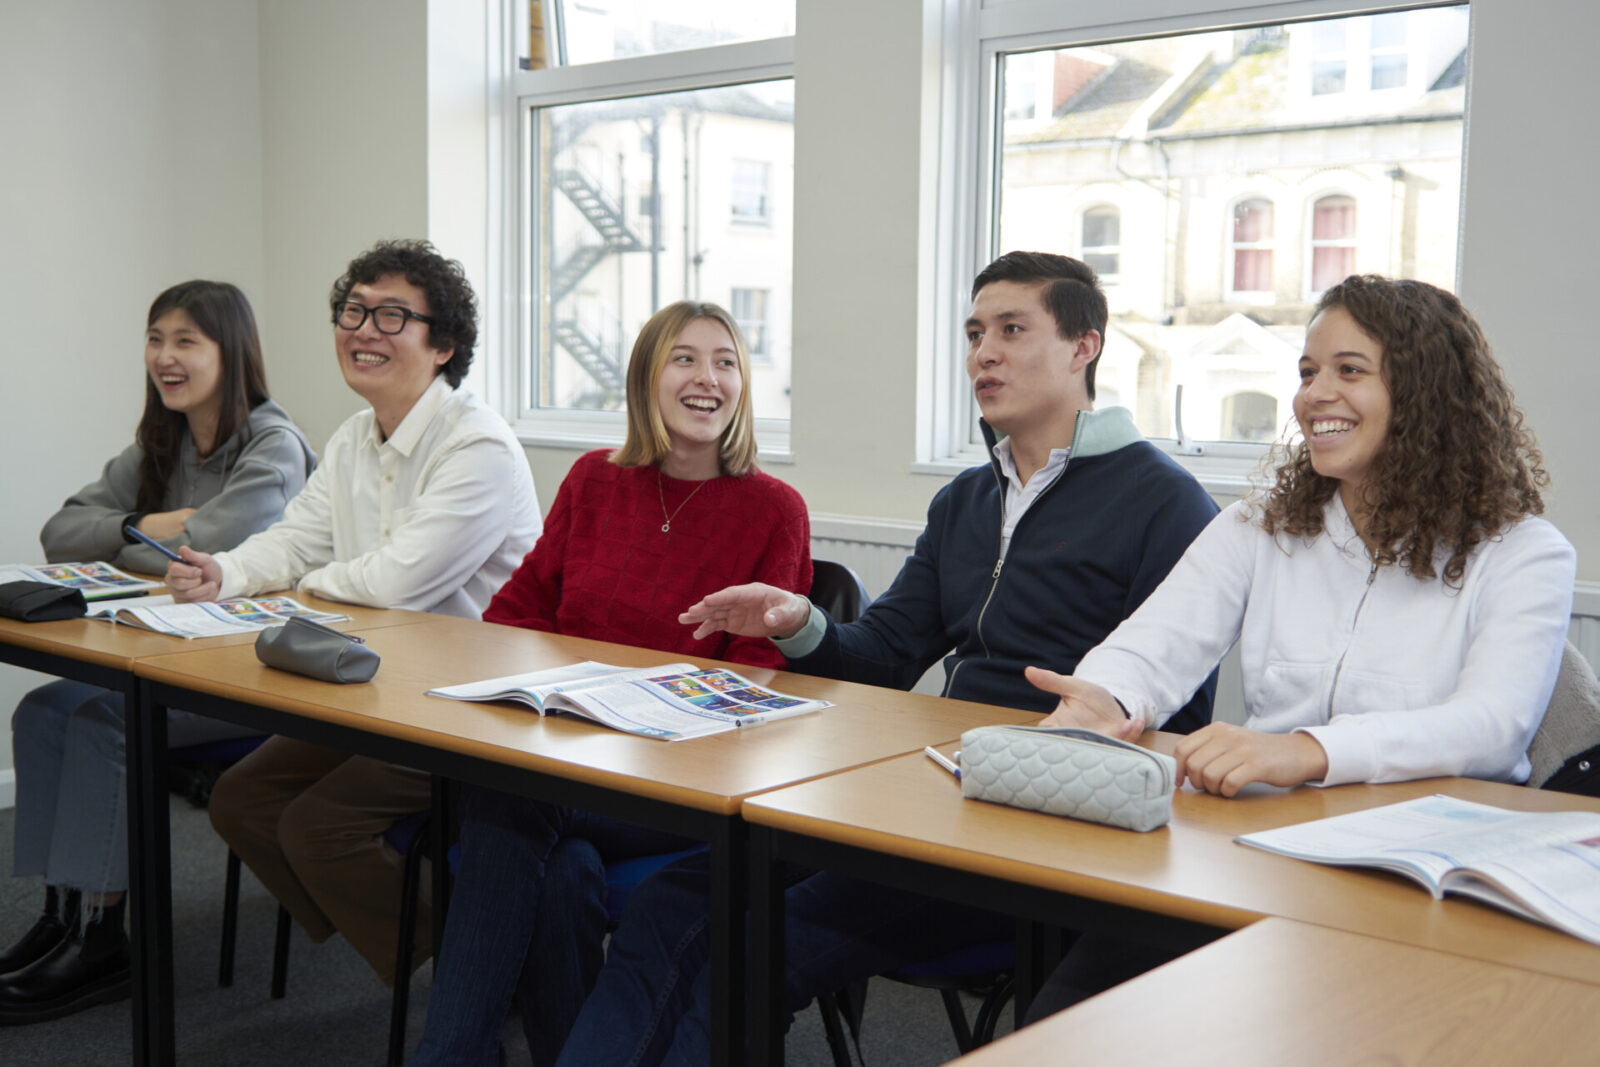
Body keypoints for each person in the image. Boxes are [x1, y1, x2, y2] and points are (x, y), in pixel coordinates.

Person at [552, 252, 1220, 1065]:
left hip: (1042, 831)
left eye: (1012, 330)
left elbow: (1177, 717)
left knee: (753, 947)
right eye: (974, 333)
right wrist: (798, 621)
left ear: (1085, 346)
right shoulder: (966, 499)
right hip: (928, 798)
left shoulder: (1166, 501)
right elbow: (884, 656)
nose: (984, 353)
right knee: (672, 901)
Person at [1018, 274, 1577, 1017]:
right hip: (1258, 854)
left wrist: (1306, 750)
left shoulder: (1524, 552)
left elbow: (1492, 725)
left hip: (1424, 882)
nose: (1315, 394)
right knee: (1071, 1020)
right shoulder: (1259, 527)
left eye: (1350, 370)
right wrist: (1107, 697)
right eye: (1309, 372)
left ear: (1426, 394)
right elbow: (1154, 644)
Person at [411, 301, 812, 1067]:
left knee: (509, 795)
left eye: (726, 361)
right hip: (569, 761)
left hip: (679, 782)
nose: (707, 378)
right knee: (566, 874)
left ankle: (450, 1056)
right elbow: (514, 612)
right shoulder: (594, 479)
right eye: (684, 358)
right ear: (645, 379)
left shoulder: (774, 509)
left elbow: (757, 690)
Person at [167, 239, 543, 987]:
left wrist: (299, 585)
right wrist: (225, 571)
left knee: (316, 829)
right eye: (354, 311)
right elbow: (294, 538)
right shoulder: (350, 438)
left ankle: (486, 965)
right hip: (368, 690)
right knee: (240, 801)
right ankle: (439, 937)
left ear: (443, 345)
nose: (364, 330)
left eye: (393, 316)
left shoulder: (478, 445)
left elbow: (398, 582)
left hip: (465, 708)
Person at [1, 280, 315, 1024]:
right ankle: (62, 915)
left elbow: (208, 551)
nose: (165, 357)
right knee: (45, 710)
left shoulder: (273, 444)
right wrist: (147, 522)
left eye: (185, 341)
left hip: (247, 674)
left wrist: (141, 537)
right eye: (155, 339)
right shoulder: (161, 439)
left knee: (108, 721)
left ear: (229, 353)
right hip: (169, 653)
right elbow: (61, 531)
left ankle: (103, 939)